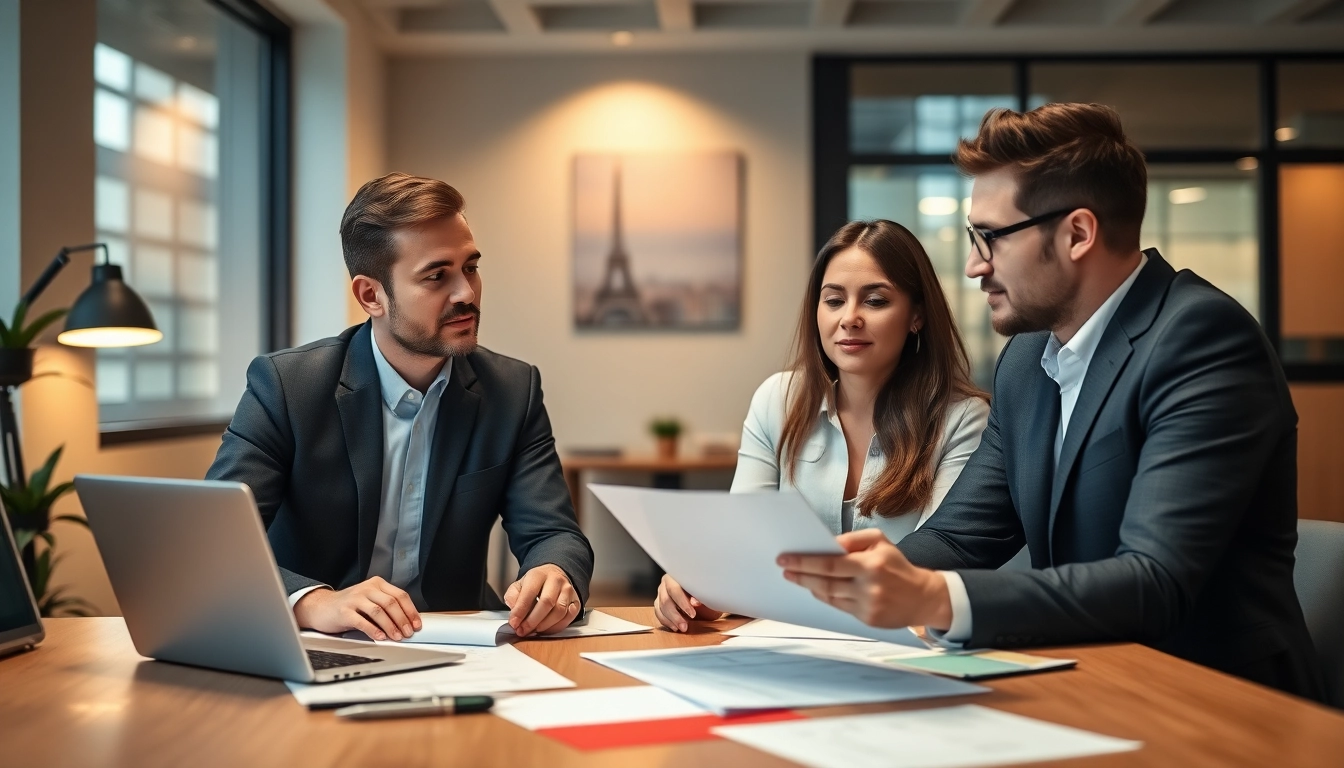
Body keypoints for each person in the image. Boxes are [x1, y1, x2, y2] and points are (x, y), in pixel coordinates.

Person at [777, 103, 1325, 701]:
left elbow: (1155, 581)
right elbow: (962, 539)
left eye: (990, 237)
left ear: (1077, 234)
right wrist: (834, 582)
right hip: (1093, 681)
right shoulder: (1028, 361)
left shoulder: (1202, 340)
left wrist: (932, 597)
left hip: (1221, 702)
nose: (972, 266)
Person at [207, 173, 594, 643]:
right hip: (321, 643)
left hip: (462, 646)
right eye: (437, 276)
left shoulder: (512, 390)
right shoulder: (288, 387)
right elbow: (215, 543)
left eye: (470, 267)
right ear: (371, 295)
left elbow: (554, 532)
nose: (466, 293)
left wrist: (554, 574)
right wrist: (314, 602)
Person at [655, 220, 989, 632]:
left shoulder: (962, 418)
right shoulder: (778, 400)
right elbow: (744, 547)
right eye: (834, 301)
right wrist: (707, 590)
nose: (849, 318)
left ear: (916, 315)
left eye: (876, 301)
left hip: (902, 649)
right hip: (787, 647)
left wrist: (758, 583)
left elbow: (935, 567)